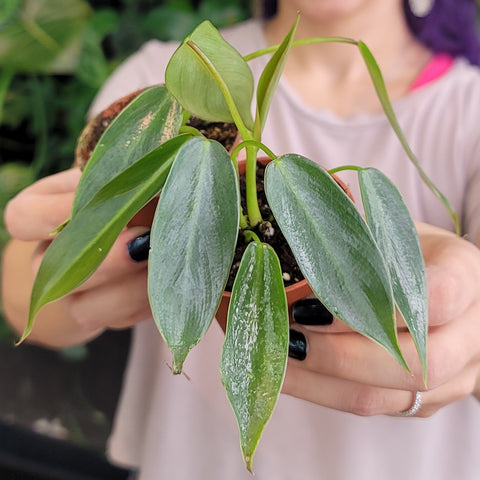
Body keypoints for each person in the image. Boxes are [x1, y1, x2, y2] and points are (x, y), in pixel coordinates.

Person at [2, 0, 480, 478]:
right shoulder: (179, 77)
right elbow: (28, 293)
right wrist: (69, 269)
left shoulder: (468, 112)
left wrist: (463, 341)